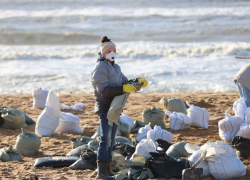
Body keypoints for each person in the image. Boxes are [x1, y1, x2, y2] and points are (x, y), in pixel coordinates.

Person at [90, 36, 148, 180]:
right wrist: (123, 88)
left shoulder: (115, 67)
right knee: (105, 139)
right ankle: (101, 173)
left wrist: (137, 82)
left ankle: (108, 170)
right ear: (103, 52)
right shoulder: (100, 68)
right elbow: (103, 90)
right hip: (105, 108)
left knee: (112, 139)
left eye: (114, 50)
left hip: (115, 108)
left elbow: (124, 82)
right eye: (109, 50)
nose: (112, 52)